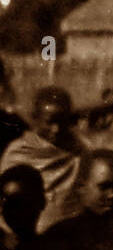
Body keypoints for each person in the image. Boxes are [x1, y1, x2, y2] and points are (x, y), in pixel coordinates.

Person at [0, 86, 81, 227]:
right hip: (24, 230)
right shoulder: (19, 152)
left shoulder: (79, 150)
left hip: (66, 232)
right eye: (49, 122)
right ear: (35, 119)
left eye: (62, 121)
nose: (56, 129)